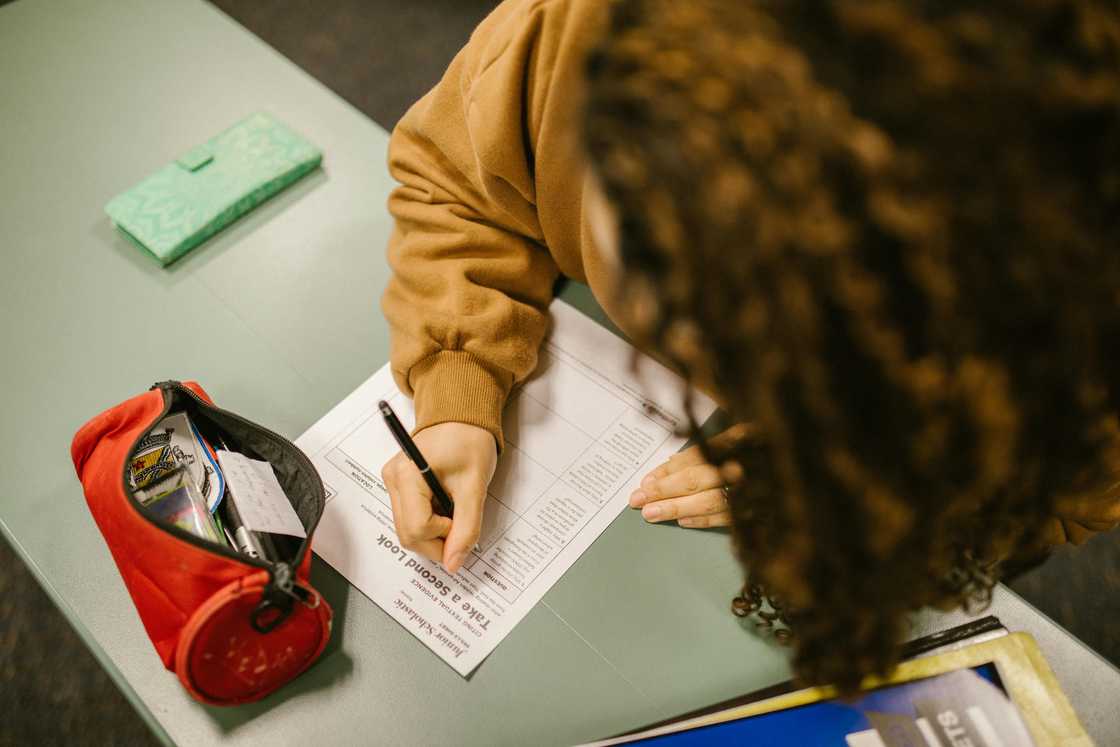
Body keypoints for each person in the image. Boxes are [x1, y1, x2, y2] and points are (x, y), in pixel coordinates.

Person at [379, 0, 1120, 687]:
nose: (685, 337)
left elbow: (1072, 486)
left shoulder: (1072, 264)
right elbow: (459, 180)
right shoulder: (586, 28)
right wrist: (457, 376)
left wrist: (854, 478)